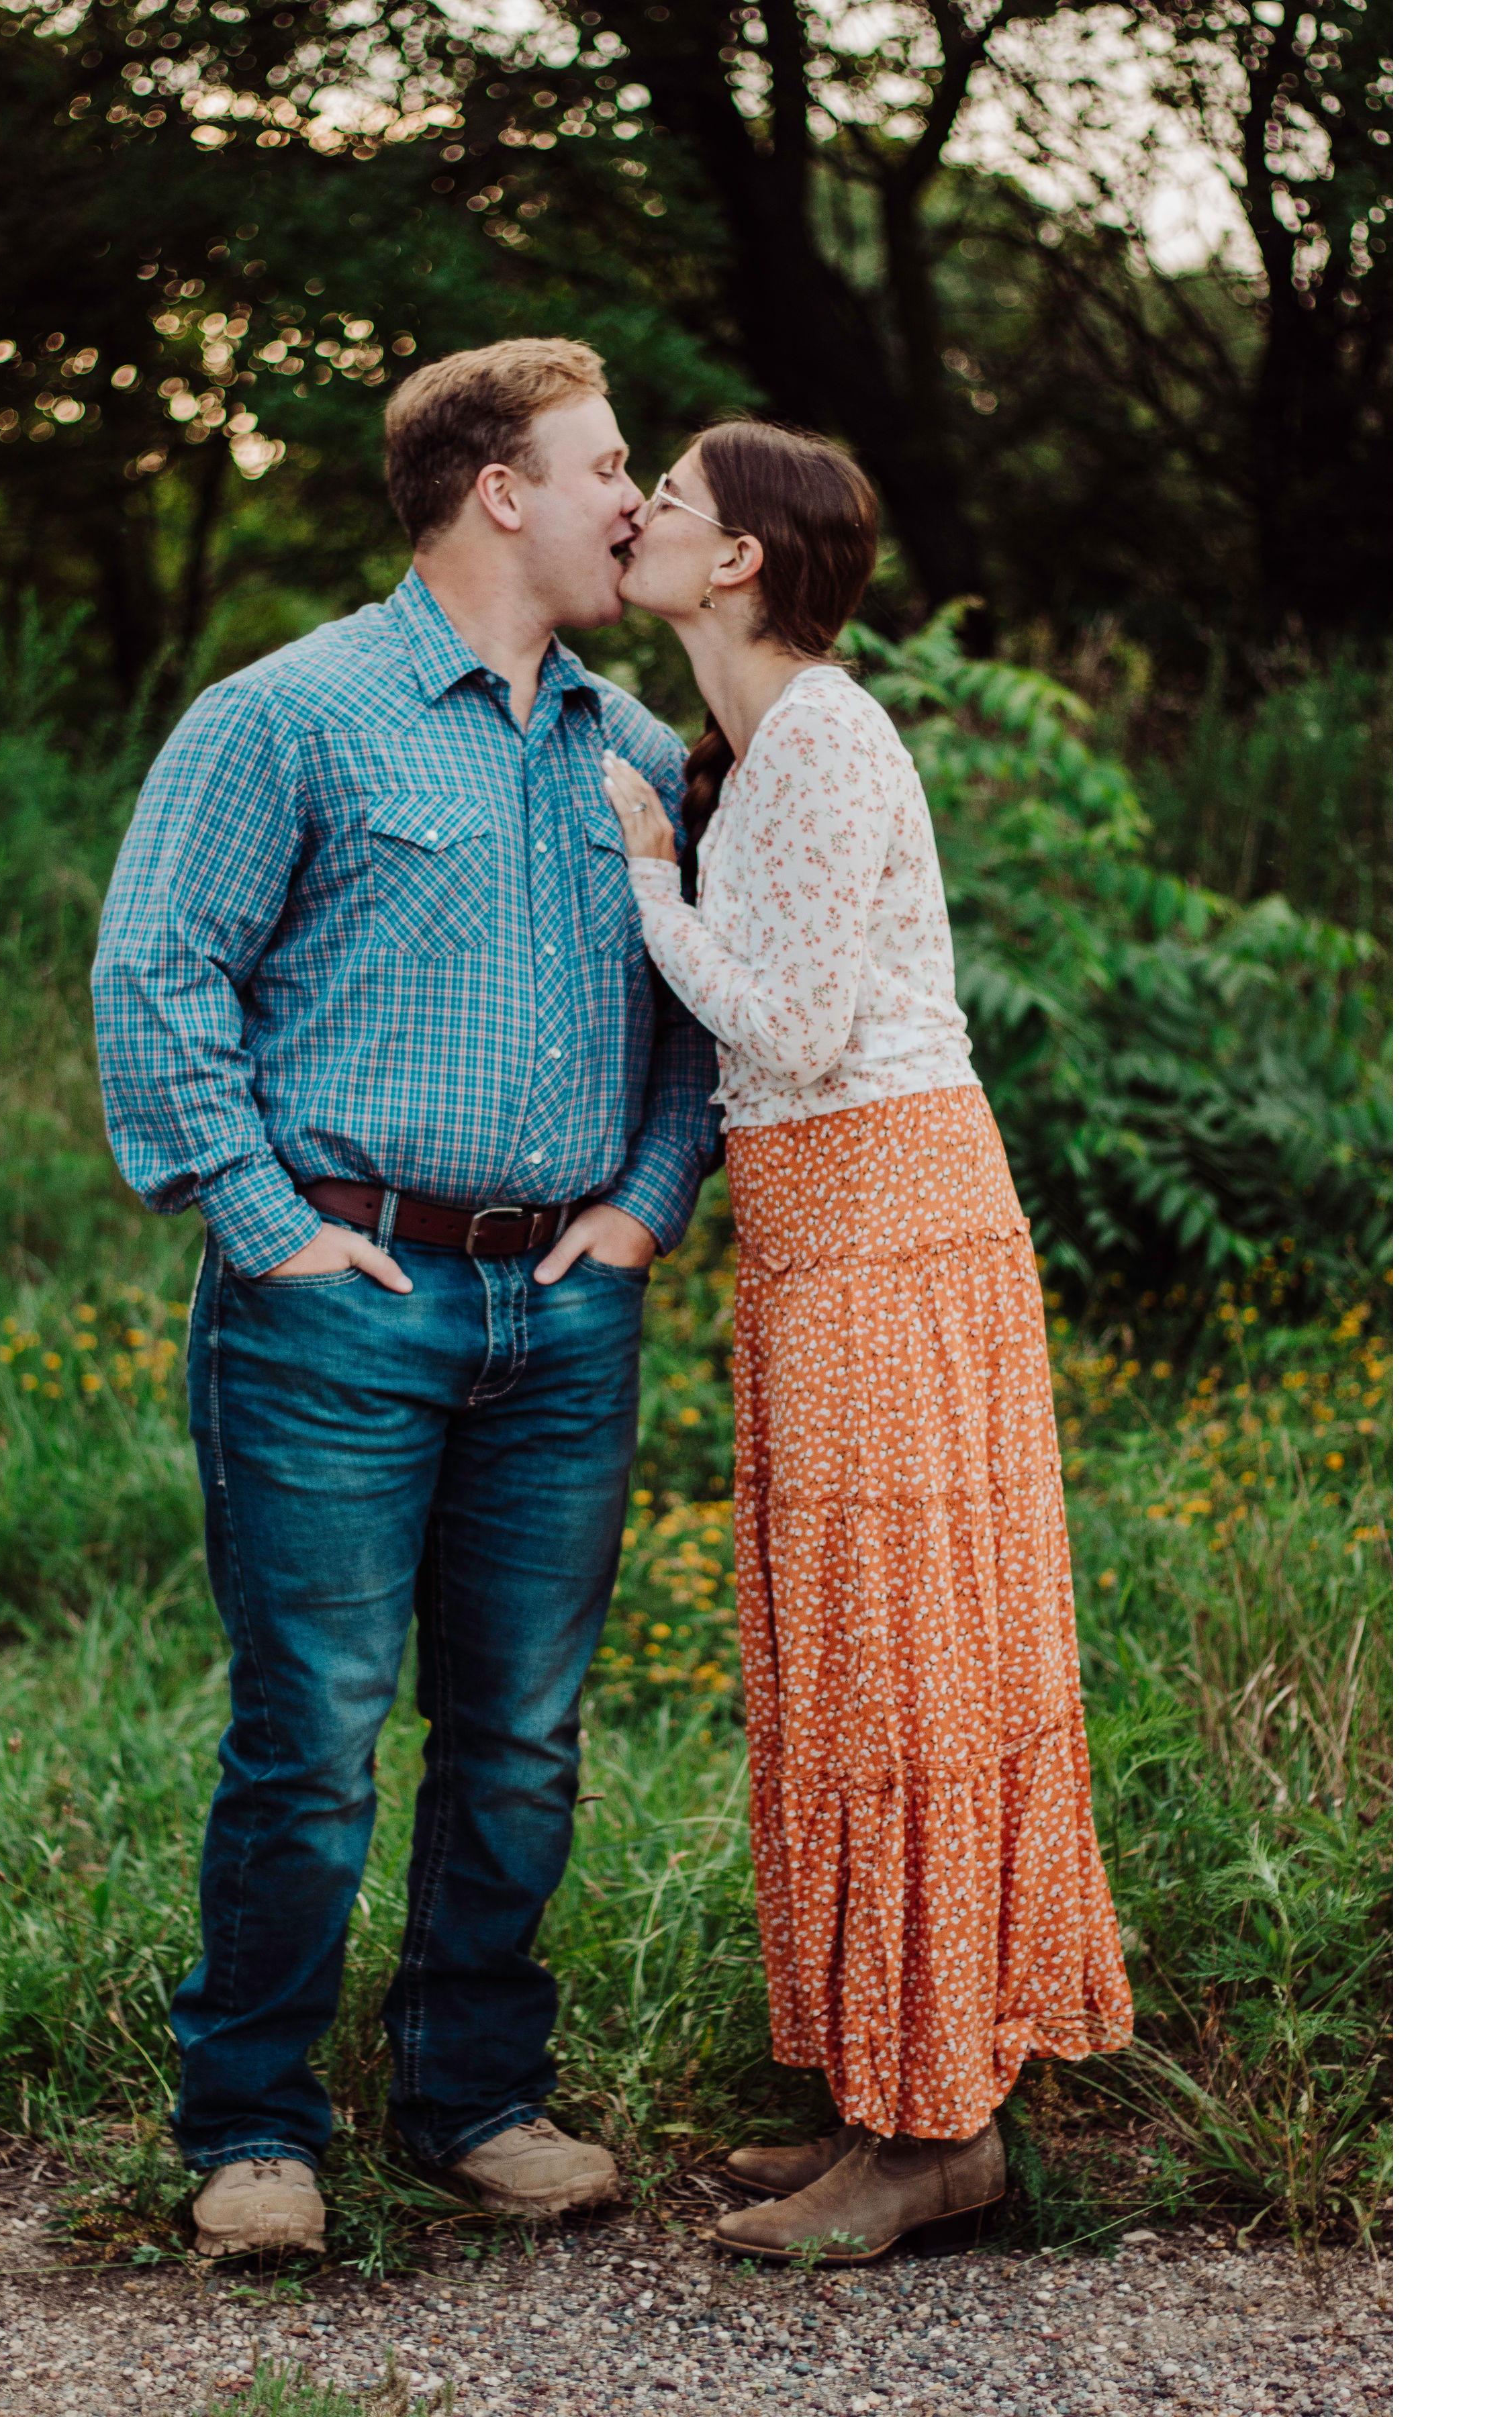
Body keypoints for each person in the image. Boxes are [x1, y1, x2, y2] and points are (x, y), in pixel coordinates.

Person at [93, 339, 720, 2258]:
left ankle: (474, 2096)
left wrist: (646, 1205)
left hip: (563, 1309)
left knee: (521, 1734)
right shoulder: (289, 717)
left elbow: (695, 1016)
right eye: (607, 466)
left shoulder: (639, 750)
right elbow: (158, 972)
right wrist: (265, 1222)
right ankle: (252, 2122)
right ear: (499, 492)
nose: (638, 500)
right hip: (340, 1303)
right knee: (315, 1733)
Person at [600, 420, 1135, 2265]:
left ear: (741, 558)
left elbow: (803, 1026)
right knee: (854, 1659)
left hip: (891, 1224)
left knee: (904, 1664)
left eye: (670, 499)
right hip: (829, 1230)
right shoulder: (762, 749)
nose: (640, 515)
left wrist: (650, 881)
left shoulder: (824, 734)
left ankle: (931, 2135)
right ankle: (895, 2096)